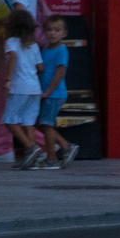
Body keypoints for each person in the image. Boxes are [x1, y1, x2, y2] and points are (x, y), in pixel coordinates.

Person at [0, 7, 45, 168]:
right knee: (28, 122)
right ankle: (33, 158)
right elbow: (40, 67)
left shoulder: (11, 42)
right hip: (35, 88)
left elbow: (13, 56)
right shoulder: (34, 45)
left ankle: (31, 148)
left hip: (19, 87)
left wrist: (8, 79)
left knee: (9, 120)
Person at [36, 16, 76, 167]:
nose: (52, 33)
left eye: (57, 30)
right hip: (48, 94)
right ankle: (66, 146)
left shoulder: (61, 50)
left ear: (64, 34)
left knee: (46, 125)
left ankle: (52, 159)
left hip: (54, 94)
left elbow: (60, 73)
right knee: (43, 124)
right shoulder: (46, 49)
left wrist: (47, 91)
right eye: (49, 29)